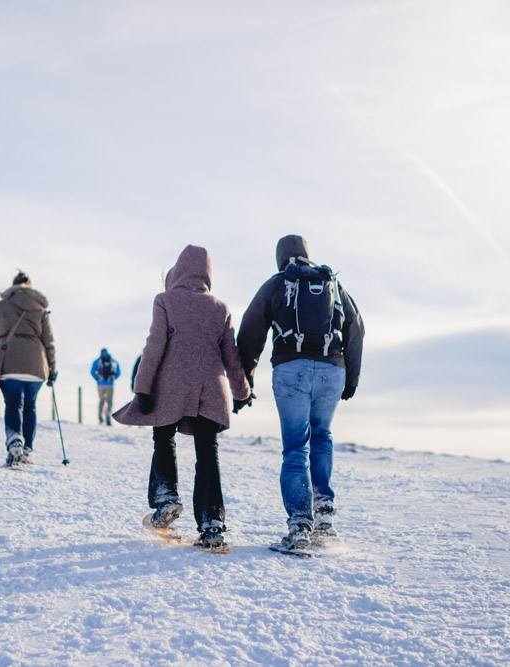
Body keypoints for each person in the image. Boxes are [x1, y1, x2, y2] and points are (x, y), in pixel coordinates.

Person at [113, 245, 252, 549]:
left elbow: (154, 347)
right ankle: (212, 524)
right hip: (210, 389)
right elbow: (232, 355)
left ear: (177, 270)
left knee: (163, 438)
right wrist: (242, 392)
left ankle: (166, 499)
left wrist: (142, 388)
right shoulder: (221, 307)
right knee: (207, 453)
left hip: (170, 385)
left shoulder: (165, 300)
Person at [237, 235, 364, 551]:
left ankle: (299, 527)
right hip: (332, 371)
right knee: (321, 435)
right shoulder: (330, 282)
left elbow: (250, 331)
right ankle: (324, 514)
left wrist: (245, 380)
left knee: (295, 446)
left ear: (281, 257)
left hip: (290, 369)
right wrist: (351, 379)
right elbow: (356, 328)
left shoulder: (278, 283)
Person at [0, 270, 57, 466]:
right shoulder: (40, 310)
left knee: (13, 403)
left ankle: (14, 439)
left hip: (9, 363)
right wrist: (53, 368)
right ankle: (28, 450)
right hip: (36, 366)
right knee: (30, 406)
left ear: (12, 286)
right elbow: (49, 342)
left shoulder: (0, 306)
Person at [90, 349, 121, 425]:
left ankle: (100, 419)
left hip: (100, 384)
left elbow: (92, 371)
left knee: (101, 401)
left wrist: (97, 379)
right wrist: (112, 379)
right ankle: (108, 418)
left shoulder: (97, 361)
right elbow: (118, 372)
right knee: (109, 402)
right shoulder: (113, 361)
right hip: (110, 384)